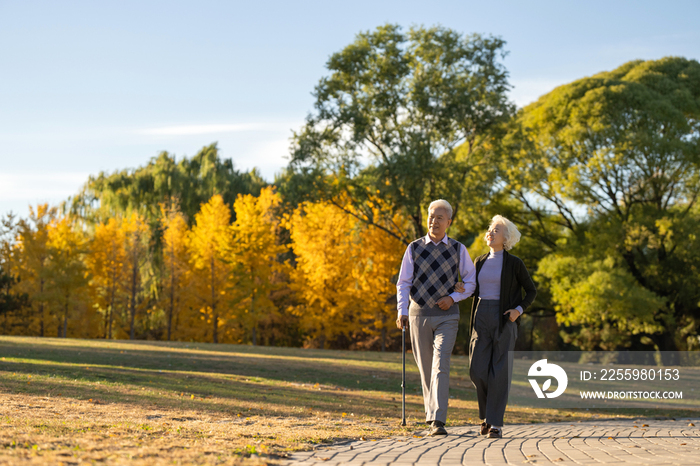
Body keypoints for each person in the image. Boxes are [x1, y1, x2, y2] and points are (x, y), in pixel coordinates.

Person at [395, 200, 477, 436]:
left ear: (448, 222)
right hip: (418, 314)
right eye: (431, 216)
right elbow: (403, 283)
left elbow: (471, 282)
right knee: (426, 368)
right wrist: (401, 310)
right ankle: (431, 415)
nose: (434, 221)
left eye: (440, 217)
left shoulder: (459, 249)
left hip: (447, 316)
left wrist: (452, 298)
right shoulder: (413, 248)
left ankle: (437, 420)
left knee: (441, 365)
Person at [455, 215, 537, 438]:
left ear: (506, 238)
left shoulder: (514, 263)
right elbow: (472, 287)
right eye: (490, 229)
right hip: (481, 317)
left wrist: (517, 311)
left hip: (504, 320)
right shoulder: (479, 261)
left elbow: (531, 291)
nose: (490, 232)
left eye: (496, 230)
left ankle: (495, 424)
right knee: (477, 370)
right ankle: (486, 416)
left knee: (499, 372)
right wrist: (461, 287)